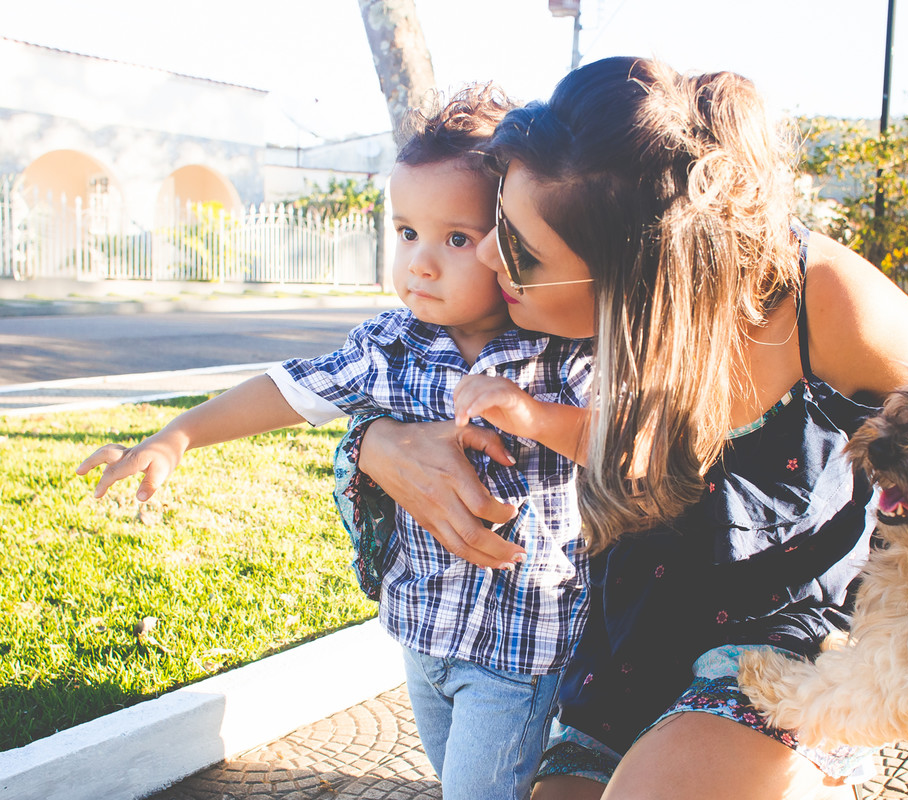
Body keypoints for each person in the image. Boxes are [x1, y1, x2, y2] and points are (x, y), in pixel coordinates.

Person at [346, 59, 908, 799]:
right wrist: (373, 444)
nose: (488, 258)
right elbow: (370, 371)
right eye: (493, 221)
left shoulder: (816, 302)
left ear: (634, 276)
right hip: (620, 656)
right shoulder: (534, 290)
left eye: (518, 248)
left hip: (787, 654)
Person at [75, 84, 594, 800]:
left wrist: (533, 416)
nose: (421, 262)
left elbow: (626, 442)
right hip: (421, 629)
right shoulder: (391, 343)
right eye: (407, 232)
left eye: (457, 238)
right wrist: (178, 436)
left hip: (517, 646)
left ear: (512, 239)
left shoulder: (559, 354)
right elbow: (291, 389)